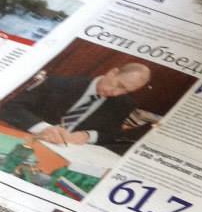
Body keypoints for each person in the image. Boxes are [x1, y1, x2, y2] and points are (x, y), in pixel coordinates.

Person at [0, 63, 152, 155]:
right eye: (119, 85)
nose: (116, 93)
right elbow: (11, 108)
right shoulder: (59, 83)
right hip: (25, 141)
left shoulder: (124, 104)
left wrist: (88, 136)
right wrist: (43, 128)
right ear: (113, 72)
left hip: (66, 153)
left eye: (126, 91)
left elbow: (112, 135)